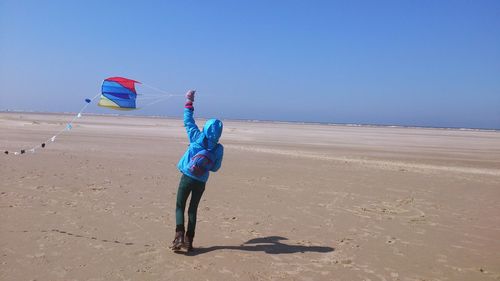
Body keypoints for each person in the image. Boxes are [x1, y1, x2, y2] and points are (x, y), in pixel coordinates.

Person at [171, 90, 224, 251]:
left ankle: (179, 236)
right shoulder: (218, 148)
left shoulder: (196, 136)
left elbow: (187, 120)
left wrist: (189, 100)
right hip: (201, 181)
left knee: (180, 206)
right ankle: (189, 241)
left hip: (187, 177)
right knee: (192, 209)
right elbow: (215, 168)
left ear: (205, 128)